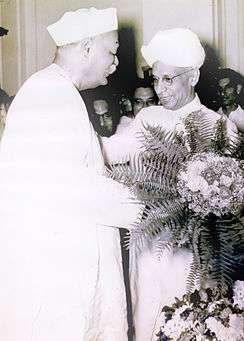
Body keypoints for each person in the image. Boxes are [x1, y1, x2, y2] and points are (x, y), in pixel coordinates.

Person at [0, 8, 140, 341]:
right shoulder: (48, 93)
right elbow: (71, 186)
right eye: (112, 51)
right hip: (56, 268)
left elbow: (86, 162)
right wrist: (143, 207)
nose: (116, 62)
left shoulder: (57, 91)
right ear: (86, 48)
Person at [101, 28, 237, 340]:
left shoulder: (221, 128)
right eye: (155, 79)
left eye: (168, 79)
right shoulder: (147, 118)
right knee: (148, 319)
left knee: (191, 324)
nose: (160, 88)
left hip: (195, 256)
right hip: (149, 247)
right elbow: (109, 151)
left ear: (193, 76)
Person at [217, 68, 244, 132]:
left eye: (227, 88)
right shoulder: (213, 116)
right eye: (220, 89)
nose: (222, 93)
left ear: (238, 89)